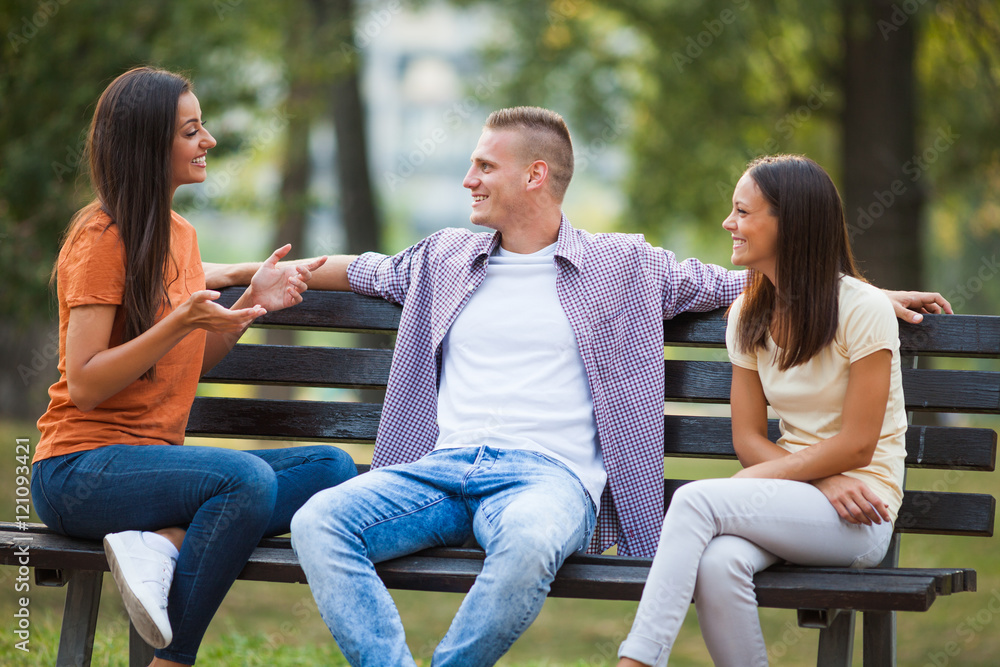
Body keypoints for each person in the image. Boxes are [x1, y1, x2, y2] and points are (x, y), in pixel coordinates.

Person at [219, 107, 948, 667]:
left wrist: (866, 293)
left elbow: (757, 277)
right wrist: (239, 274)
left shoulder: (623, 265)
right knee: (321, 522)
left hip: (549, 481)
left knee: (531, 545)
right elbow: (358, 266)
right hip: (437, 473)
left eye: (483, 167)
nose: (468, 180)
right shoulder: (442, 256)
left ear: (535, 175)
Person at [30, 67, 357, 667]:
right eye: (191, 130)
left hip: (151, 469)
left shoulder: (179, 234)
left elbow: (183, 364)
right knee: (246, 481)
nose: (207, 140)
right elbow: (87, 384)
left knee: (331, 467)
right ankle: (172, 660)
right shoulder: (101, 236)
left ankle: (162, 542)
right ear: (148, 143)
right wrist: (179, 320)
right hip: (81, 471)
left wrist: (241, 312)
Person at [616, 154, 912, 667]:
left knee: (693, 502)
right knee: (717, 562)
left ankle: (636, 662)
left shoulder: (863, 310)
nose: (729, 224)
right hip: (798, 494)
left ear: (789, 222)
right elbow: (748, 439)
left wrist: (820, 481)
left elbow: (860, 444)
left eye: (743, 212)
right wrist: (818, 480)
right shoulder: (748, 315)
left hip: (862, 508)